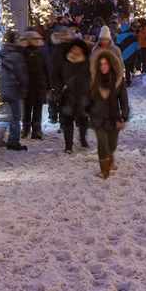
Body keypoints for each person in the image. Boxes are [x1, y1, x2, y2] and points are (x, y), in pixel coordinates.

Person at [87, 50, 130, 178]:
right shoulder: (93, 81)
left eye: (105, 64)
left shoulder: (118, 81)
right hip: (98, 117)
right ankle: (104, 170)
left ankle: (110, 159)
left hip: (113, 117)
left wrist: (124, 116)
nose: (103, 66)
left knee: (112, 145)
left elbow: (124, 100)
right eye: (100, 64)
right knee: (102, 144)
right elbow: (87, 99)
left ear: (110, 64)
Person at [59, 38, 91, 153]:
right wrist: (60, 88)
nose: (76, 50)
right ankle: (68, 145)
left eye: (78, 48)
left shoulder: (86, 61)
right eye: (74, 48)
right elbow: (58, 75)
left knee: (83, 118)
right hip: (68, 95)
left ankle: (83, 139)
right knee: (67, 120)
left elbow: (90, 76)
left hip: (83, 94)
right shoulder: (65, 61)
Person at [0, 29, 29, 151]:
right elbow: (21, 74)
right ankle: (13, 141)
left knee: (7, 114)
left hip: (5, 87)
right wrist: (24, 87)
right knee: (16, 116)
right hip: (14, 88)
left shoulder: (4, 53)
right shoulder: (16, 56)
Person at [21, 28, 49, 139]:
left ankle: (29, 130)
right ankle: (33, 130)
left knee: (30, 108)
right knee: (34, 109)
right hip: (36, 85)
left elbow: (46, 68)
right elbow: (47, 68)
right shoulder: (41, 51)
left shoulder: (24, 52)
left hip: (33, 85)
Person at [116, 21, 139, 86]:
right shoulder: (133, 35)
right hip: (132, 54)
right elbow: (137, 45)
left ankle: (125, 80)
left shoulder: (119, 36)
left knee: (125, 68)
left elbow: (117, 46)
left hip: (123, 54)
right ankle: (129, 80)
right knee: (129, 67)